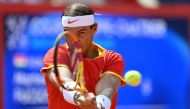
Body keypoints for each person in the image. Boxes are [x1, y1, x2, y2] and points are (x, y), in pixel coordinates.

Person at [40, 3, 126, 109]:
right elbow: (64, 79)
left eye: (81, 32)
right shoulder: (56, 53)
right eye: (68, 33)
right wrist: (77, 96)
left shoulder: (112, 59)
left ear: (94, 29)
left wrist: (98, 105)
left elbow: (107, 89)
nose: (74, 40)